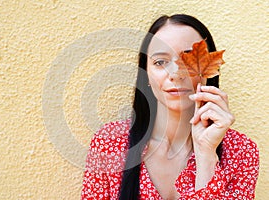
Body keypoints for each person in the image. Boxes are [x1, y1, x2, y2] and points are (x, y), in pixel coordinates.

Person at [81, 14, 259, 200]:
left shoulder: (242, 152)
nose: (175, 74)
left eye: (189, 59)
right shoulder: (109, 143)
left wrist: (206, 154)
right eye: (160, 62)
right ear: (146, 74)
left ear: (210, 70)